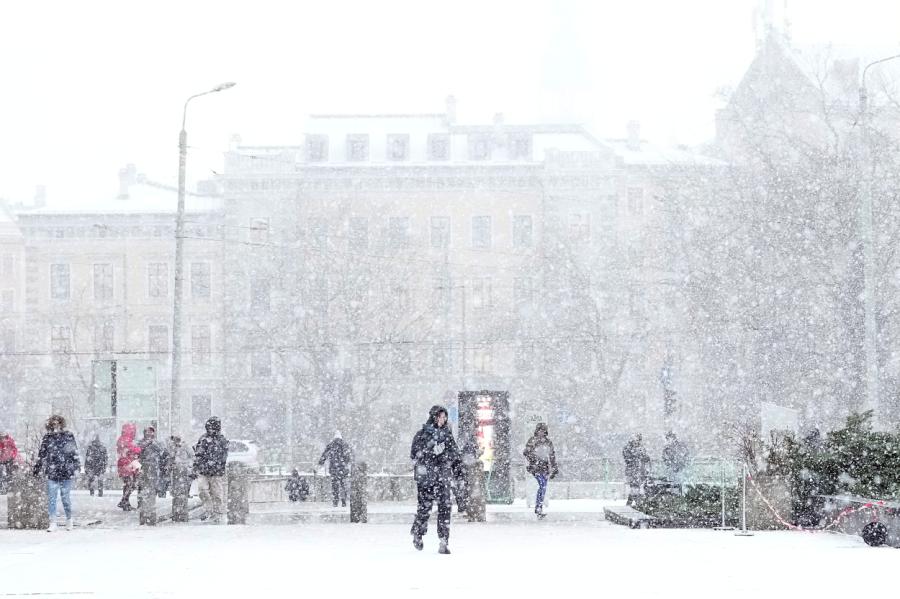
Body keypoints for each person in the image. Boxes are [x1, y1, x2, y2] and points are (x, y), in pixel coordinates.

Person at [410, 405, 462, 555]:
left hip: (443, 477)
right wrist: (429, 450)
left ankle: (444, 540)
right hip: (426, 478)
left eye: (445, 417)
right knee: (424, 508)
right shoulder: (421, 434)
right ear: (434, 417)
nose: (443, 420)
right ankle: (418, 534)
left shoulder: (447, 435)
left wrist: (451, 463)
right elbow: (415, 454)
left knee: (445, 508)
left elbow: (455, 454)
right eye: (440, 417)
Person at [32, 415, 80, 532]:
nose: (56, 426)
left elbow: (74, 452)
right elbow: (42, 454)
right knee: (52, 499)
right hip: (52, 472)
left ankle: (69, 519)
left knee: (65, 498)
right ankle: (53, 522)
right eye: (53, 424)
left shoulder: (68, 435)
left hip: (66, 471)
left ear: (61, 424)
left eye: (57, 423)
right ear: (50, 425)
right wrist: (37, 468)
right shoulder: (47, 437)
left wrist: (76, 467)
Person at [193, 416, 229, 523]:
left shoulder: (221, 440)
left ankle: (217, 512)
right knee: (202, 490)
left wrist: (218, 465)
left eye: (213, 427)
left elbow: (224, 456)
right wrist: (197, 465)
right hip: (203, 470)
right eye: (209, 427)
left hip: (216, 472)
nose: (210, 429)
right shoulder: (203, 438)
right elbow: (198, 453)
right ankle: (208, 509)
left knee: (217, 493)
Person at [523, 423, 559, 518]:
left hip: (545, 467)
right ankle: (538, 507)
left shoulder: (548, 442)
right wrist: (534, 460)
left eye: (543, 430)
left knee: (544, 487)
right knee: (542, 485)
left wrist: (554, 467)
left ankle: (539, 507)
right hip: (535, 467)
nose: (541, 432)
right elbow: (526, 452)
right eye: (540, 430)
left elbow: (552, 456)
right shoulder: (532, 441)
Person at [318, 432, 352, 507]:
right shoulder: (345, 445)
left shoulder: (331, 445)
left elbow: (324, 454)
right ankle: (343, 501)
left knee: (335, 486)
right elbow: (348, 456)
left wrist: (321, 462)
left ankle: (335, 501)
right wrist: (346, 462)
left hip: (334, 469)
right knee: (343, 485)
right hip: (343, 469)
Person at [137, 426, 164, 522]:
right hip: (143, 469)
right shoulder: (140, 443)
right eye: (147, 432)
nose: (149, 434)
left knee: (152, 493)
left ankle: (151, 514)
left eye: (151, 432)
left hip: (154, 470)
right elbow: (137, 452)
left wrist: (152, 443)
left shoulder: (157, 443)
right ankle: (143, 514)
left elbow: (162, 452)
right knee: (143, 492)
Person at [116, 423, 142, 511]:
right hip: (126, 465)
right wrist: (138, 449)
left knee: (129, 484)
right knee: (130, 484)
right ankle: (124, 501)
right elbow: (134, 449)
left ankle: (125, 501)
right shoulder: (125, 439)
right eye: (133, 431)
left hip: (127, 464)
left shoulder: (125, 439)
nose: (134, 433)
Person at [623, 433, 651, 506]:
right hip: (633, 471)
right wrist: (638, 456)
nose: (638, 441)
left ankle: (631, 502)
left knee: (636, 487)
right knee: (634, 486)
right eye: (637, 439)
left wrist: (645, 458)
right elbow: (628, 459)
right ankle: (635, 503)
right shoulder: (628, 448)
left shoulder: (641, 448)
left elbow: (645, 457)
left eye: (639, 440)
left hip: (639, 471)